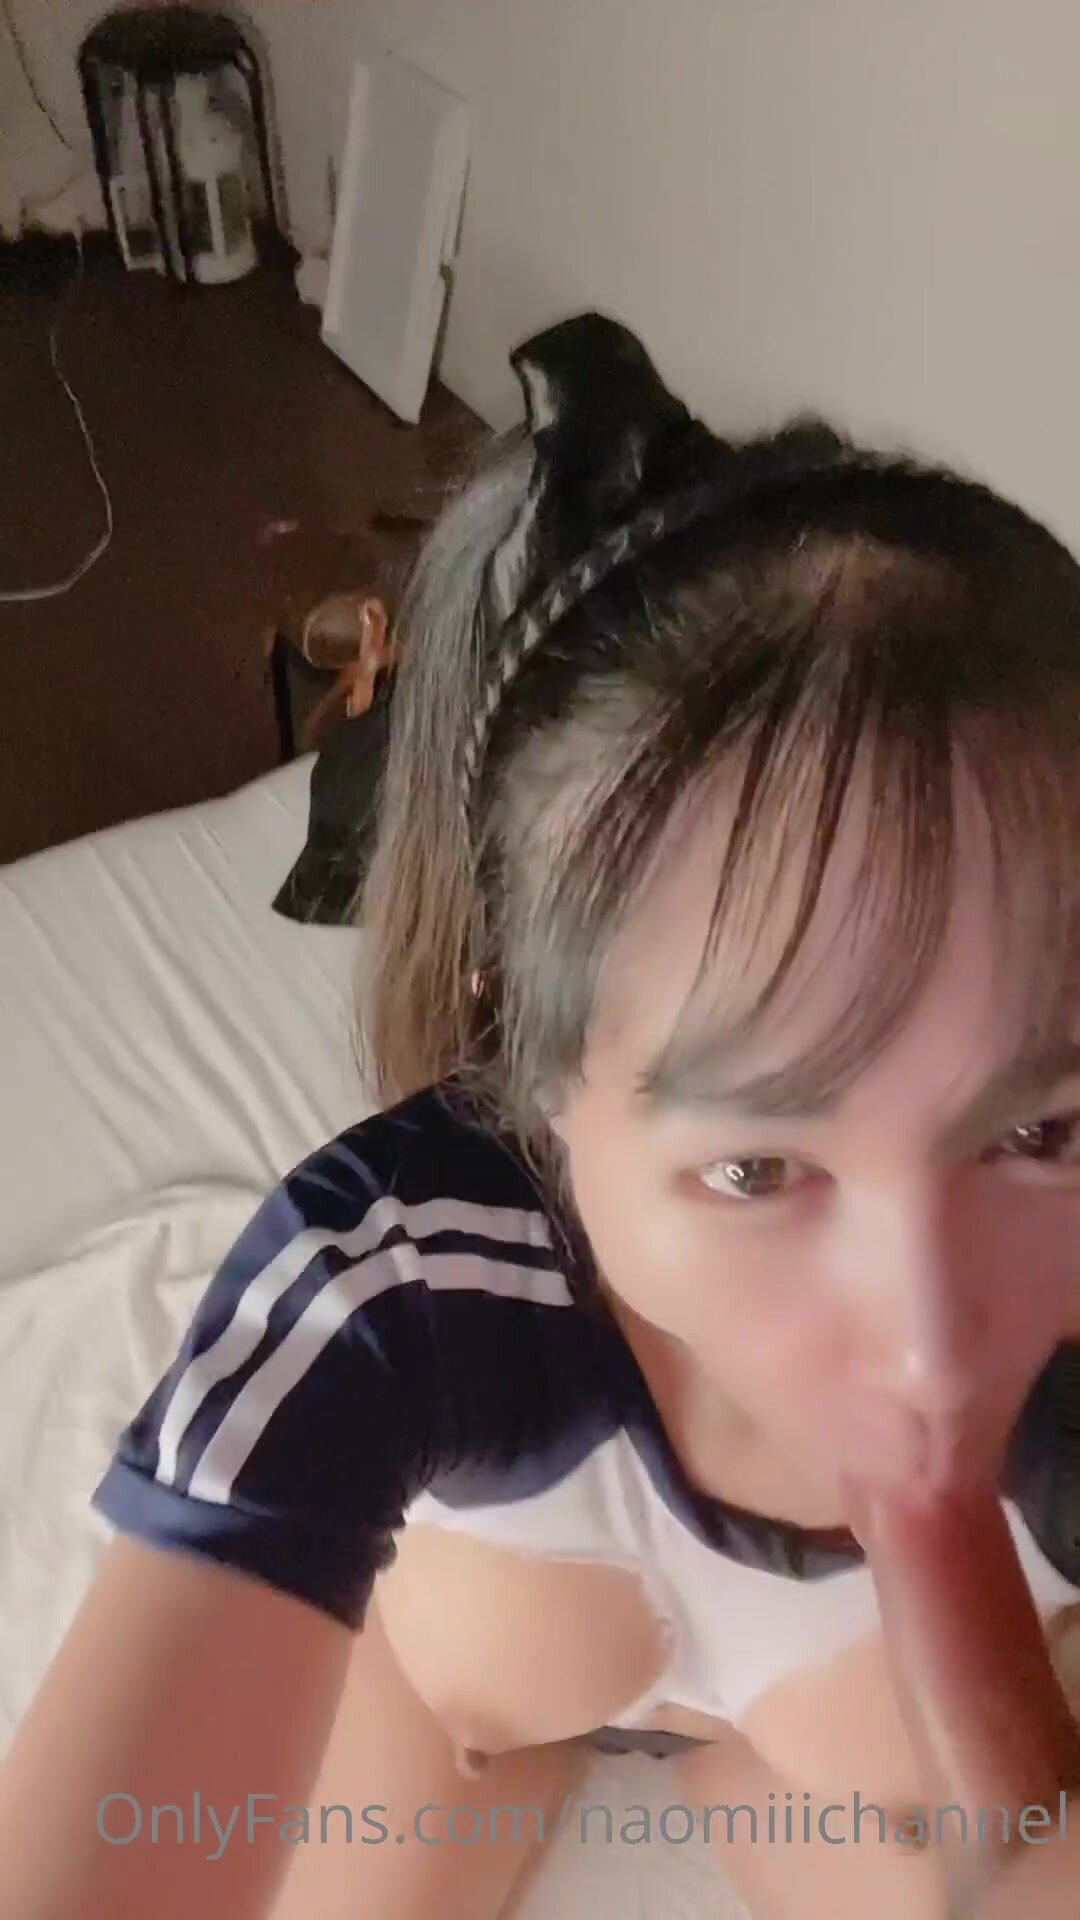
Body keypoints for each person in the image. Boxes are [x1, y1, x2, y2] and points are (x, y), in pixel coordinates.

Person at [2, 310, 1080, 1920]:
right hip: (487, 1682)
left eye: (1038, 1133)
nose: (923, 1344)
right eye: (757, 1165)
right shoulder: (394, 1277)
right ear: (535, 1064)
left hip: (832, 1735)